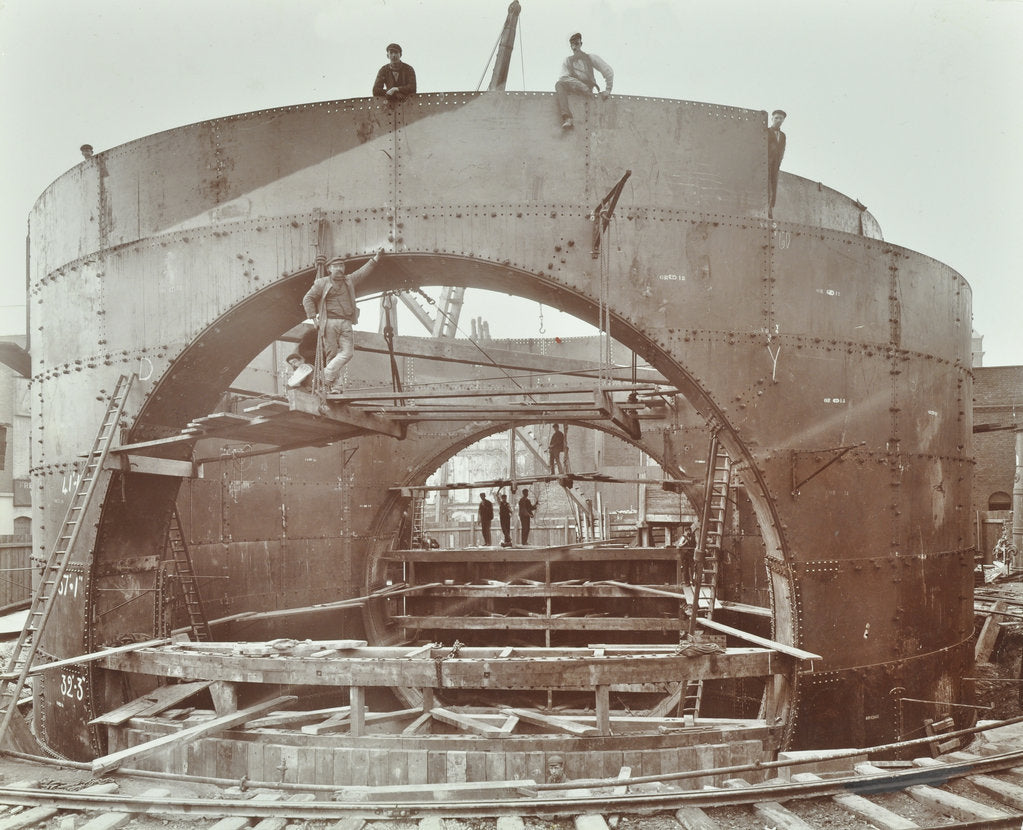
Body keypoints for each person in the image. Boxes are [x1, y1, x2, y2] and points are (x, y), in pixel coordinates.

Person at [301, 249, 383, 394]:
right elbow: (307, 298)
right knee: (332, 355)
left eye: (341, 266)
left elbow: (363, 272)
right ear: (329, 269)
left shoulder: (349, 280)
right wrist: (313, 318)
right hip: (329, 323)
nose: (339, 268)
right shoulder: (321, 283)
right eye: (336, 266)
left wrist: (375, 259)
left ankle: (325, 374)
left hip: (346, 322)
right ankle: (336, 387)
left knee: (348, 352)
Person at [555, 32, 613, 130]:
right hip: (574, 88)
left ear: (581, 44)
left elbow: (608, 71)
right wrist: (581, 85)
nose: (574, 48)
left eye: (576, 44)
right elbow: (563, 78)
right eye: (572, 45)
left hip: (588, 90)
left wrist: (608, 89)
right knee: (559, 84)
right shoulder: (568, 61)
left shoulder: (590, 58)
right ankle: (568, 118)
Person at [767, 109, 787, 216]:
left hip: (776, 165)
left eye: (781, 118)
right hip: (766, 164)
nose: (778, 120)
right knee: (767, 186)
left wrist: (779, 162)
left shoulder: (783, 135)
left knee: (774, 187)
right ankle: (767, 209)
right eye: (776, 118)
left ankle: (770, 209)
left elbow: (782, 149)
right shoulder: (766, 131)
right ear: (772, 119)